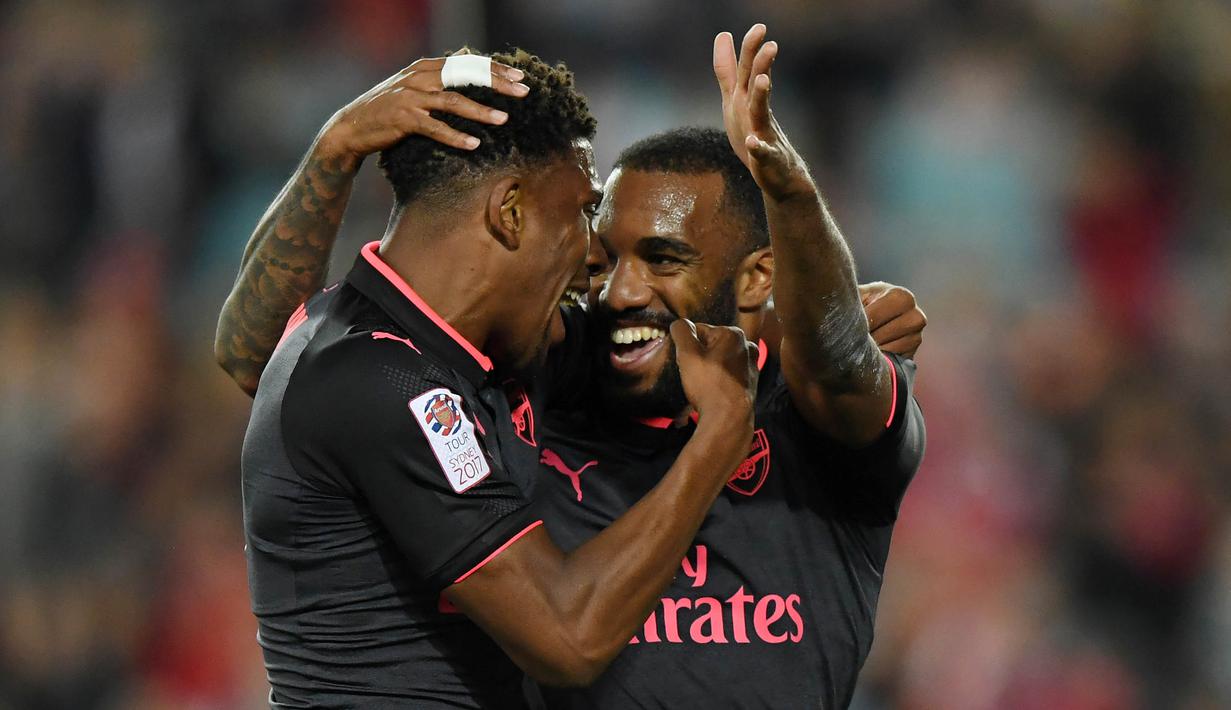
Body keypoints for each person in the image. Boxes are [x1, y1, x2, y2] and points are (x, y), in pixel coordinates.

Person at [219, 29, 928, 707]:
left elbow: (261, 352)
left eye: (657, 257)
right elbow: (567, 637)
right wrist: (721, 435)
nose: (598, 267)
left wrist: (818, 306)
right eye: (586, 217)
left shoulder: (475, 355)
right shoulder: (393, 378)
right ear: (510, 212)